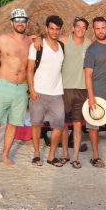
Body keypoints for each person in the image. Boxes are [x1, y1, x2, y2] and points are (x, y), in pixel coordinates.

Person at [0, 8, 31, 168]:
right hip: (4, 85)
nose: (20, 23)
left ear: (27, 22)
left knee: (13, 123)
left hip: (22, 88)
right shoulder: (2, 39)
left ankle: (5, 155)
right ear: (11, 22)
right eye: (17, 20)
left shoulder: (31, 42)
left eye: (23, 20)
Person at [27, 15, 66, 167]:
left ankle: (51, 156)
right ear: (46, 28)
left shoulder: (62, 46)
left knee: (58, 125)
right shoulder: (37, 46)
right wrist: (32, 89)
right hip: (39, 92)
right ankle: (36, 154)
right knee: (36, 124)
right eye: (52, 29)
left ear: (61, 29)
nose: (54, 32)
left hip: (57, 93)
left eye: (57, 29)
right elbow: (30, 69)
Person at [84, 16, 106, 168]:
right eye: (97, 28)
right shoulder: (91, 50)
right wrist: (91, 97)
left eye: (103, 28)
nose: (100, 31)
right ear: (94, 29)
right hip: (97, 94)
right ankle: (95, 156)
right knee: (93, 126)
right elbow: (88, 75)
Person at [59, 17, 91, 167]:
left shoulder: (89, 43)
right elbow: (49, 41)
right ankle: (65, 154)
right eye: (78, 26)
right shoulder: (64, 40)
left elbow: (103, 44)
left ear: (86, 29)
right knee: (65, 125)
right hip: (64, 88)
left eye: (84, 27)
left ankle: (76, 157)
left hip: (82, 89)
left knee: (78, 125)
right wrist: (37, 37)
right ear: (73, 27)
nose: (80, 29)